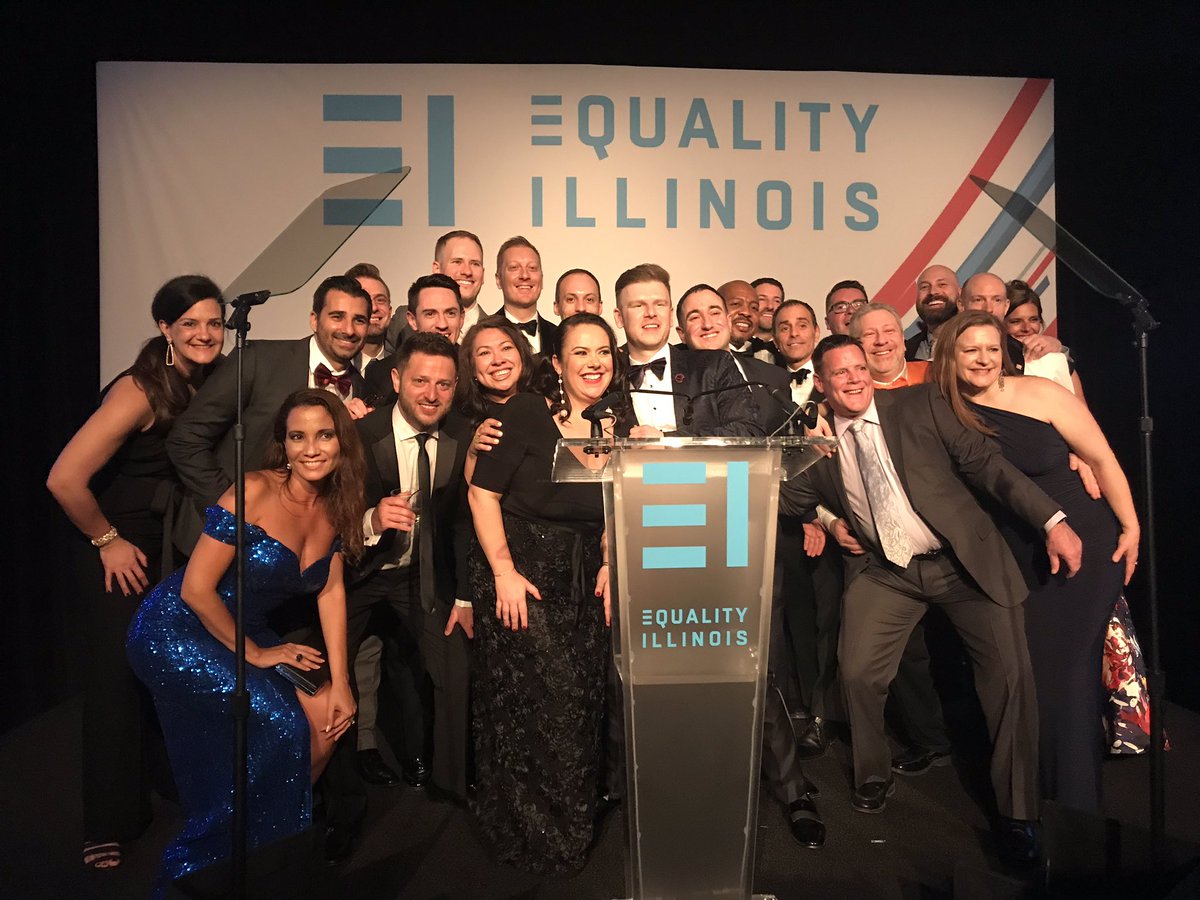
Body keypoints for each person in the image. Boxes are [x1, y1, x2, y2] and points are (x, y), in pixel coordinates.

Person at [778, 334, 1082, 864]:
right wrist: (824, 516)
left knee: (1009, 680)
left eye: (859, 367)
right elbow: (780, 496)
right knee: (856, 671)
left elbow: (987, 466)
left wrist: (1051, 519)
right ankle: (872, 776)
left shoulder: (918, 404)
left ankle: (1018, 813)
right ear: (822, 385)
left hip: (962, 564)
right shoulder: (819, 449)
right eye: (840, 373)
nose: (853, 378)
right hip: (889, 572)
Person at [126, 389, 363, 893]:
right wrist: (257, 653)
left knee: (328, 722)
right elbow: (196, 588)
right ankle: (197, 873)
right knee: (282, 726)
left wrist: (342, 681)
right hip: (177, 627)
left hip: (248, 628)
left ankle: (260, 856)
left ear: (342, 441)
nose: (312, 449)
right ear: (283, 443)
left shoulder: (338, 504)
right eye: (298, 437)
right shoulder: (254, 489)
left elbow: (332, 589)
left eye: (324, 435)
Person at [47, 275, 225, 870]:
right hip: (116, 546)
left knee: (163, 669)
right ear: (165, 329)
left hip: (167, 544)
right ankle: (107, 822)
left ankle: (167, 786)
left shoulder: (207, 382)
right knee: (116, 681)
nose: (205, 334)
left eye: (214, 322)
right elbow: (64, 478)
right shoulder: (140, 389)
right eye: (190, 324)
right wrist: (107, 541)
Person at [930, 310, 1139, 814]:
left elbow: (1103, 459)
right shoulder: (941, 409)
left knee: (1063, 673)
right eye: (970, 350)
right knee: (1031, 677)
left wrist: (1132, 526)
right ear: (949, 357)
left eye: (991, 348)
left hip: (1084, 544)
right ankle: (1038, 800)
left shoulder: (1043, 394)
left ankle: (1072, 803)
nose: (982, 358)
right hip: (1013, 556)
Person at [467, 313, 623, 874]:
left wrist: (610, 557)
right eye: (579, 352)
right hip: (521, 577)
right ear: (556, 363)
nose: (594, 362)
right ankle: (535, 830)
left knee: (581, 702)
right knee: (546, 702)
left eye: (602, 350)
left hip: (580, 581)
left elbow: (612, 507)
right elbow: (482, 495)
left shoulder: (614, 421)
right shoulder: (527, 413)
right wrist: (504, 571)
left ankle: (573, 822)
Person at [168, 274, 370, 551]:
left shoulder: (362, 387)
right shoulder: (258, 359)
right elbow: (186, 438)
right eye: (337, 316)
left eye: (359, 320)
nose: (348, 329)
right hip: (221, 540)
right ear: (314, 319)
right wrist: (231, 511)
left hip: (299, 547)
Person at [495, 235, 559, 356]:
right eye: (514, 268)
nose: (525, 275)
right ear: (498, 280)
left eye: (532, 268)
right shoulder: (482, 334)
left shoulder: (559, 336)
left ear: (542, 278)